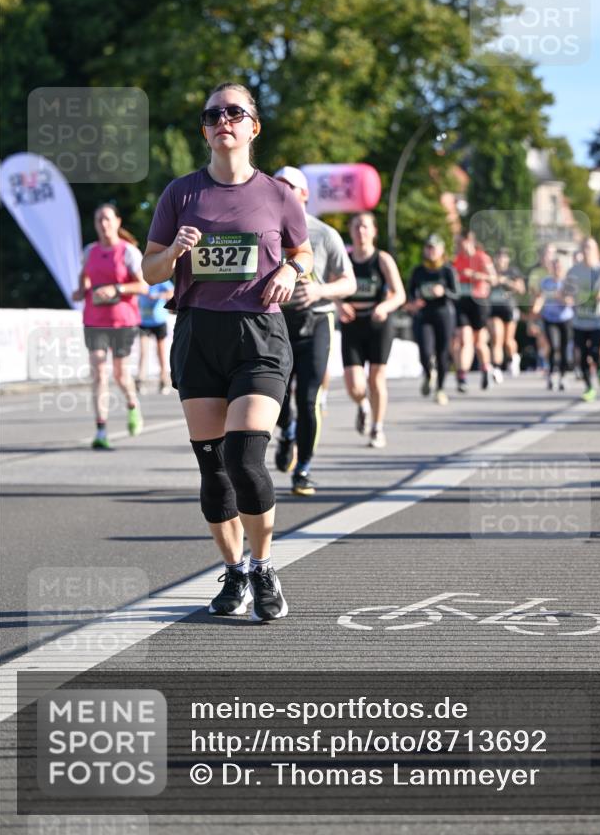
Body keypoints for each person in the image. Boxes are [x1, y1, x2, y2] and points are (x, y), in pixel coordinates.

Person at [142, 83, 313, 622]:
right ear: (205, 130)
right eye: (213, 114)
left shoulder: (279, 195)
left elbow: (302, 251)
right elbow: (148, 270)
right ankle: (235, 569)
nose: (224, 121)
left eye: (235, 112)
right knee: (213, 468)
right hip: (199, 333)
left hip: (259, 335)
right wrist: (173, 252)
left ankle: (263, 567)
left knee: (244, 457)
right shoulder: (181, 194)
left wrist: (289, 268)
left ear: (253, 127)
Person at [271, 166, 356, 496]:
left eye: (289, 187)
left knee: (308, 399)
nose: (282, 193)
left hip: (317, 321)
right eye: (276, 187)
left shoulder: (324, 234)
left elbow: (347, 282)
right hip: (276, 323)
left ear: (304, 194)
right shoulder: (264, 231)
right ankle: (287, 431)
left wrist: (319, 292)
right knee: (274, 396)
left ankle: (303, 468)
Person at [72, 203, 148, 450]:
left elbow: (143, 287)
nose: (103, 224)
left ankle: (132, 403)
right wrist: (81, 290)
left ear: (117, 221)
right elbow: (84, 275)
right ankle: (101, 429)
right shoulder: (90, 250)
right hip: (94, 320)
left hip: (123, 321)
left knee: (120, 375)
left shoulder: (128, 252)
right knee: (99, 373)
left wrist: (116, 288)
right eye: (98, 220)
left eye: (106, 219)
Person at [339, 212, 406, 448]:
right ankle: (363, 405)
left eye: (365, 227)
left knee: (376, 379)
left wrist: (385, 307)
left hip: (378, 323)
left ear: (374, 231)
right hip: (352, 323)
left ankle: (377, 428)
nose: (361, 232)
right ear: (351, 230)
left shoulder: (382, 259)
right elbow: (331, 287)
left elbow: (400, 294)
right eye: (356, 227)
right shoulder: (344, 260)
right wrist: (340, 304)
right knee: (354, 385)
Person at [405, 235, 458, 405]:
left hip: (443, 314)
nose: (431, 251)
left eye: (434, 247)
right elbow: (410, 292)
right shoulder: (418, 271)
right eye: (428, 247)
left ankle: (440, 389)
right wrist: (413, 303)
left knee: (442, 352)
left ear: (442, 250)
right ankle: (429, 374)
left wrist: (443, 292)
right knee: (425, 351)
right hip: (424, 314)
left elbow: (457, 294)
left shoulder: (447, 271)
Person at [565, 237, 600, 401]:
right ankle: (589, 387)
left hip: (598, 319)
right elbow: (565, 291)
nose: (587, 251)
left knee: (595, 352)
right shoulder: (574, 271)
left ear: (596, 251)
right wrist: (567, 298)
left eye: (590, 248)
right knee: (581, 355)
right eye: (584, 248)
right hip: (579, 320)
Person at [452, 231, 497, 391]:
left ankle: (485, 368)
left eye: (461, 242)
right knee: (463, 338)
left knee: (479, 342)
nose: (459, 246)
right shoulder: (457, 260)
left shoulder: (481, 257)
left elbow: (494, 278)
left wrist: (475, 275)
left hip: (479, 301)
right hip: (462, 301)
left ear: (469, 241)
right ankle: (462, 375)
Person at [530, 257, 574, 391]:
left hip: (565, 319)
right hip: (549, 318)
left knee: (564, 347)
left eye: (559, 267)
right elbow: (540, 298)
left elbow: (571, 301)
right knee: (553, 346)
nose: (557, 269)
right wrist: (534, 314)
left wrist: (560, 297)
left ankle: (563, 375)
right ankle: (551, 372)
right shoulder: (545, 282)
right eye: (554, 267)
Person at [488, 248, 525, 381]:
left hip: (509, 309)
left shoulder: (513, 272)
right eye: (498, 257)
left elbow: (521, 289)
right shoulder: (490, 271)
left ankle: (513, 357)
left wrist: (506, 281)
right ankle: (497, 368)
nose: (501, 261)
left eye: (503, 258)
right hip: (493, 309)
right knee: (497, 338)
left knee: (508, 340)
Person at [136, 280, 174, 394]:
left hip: (159, 321)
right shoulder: (141, 280)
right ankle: (140, 380)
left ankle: (164, 380)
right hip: (144, 322)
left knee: (161, 352)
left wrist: (158, 296)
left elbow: (171, 292)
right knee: (143, 351)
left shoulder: (161, 280)